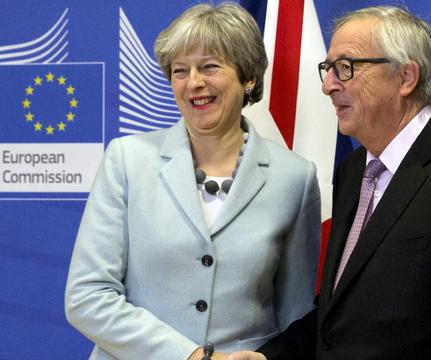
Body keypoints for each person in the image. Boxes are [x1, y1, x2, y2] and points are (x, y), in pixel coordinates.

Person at [226, 5, 431, 360]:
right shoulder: (354, 170)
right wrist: (267, 357)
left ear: (406, 78)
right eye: (328, 69)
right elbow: (340, 316)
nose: (326, 85)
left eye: (345, 68)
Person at [64, 3, 320, 360]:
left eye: (210, 67)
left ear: (248, 77)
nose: (194, 82)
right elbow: (87, 296)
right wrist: (192, 356)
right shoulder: (127, 160)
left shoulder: (296, 178)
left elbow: (296, 315)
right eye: (180, 71)